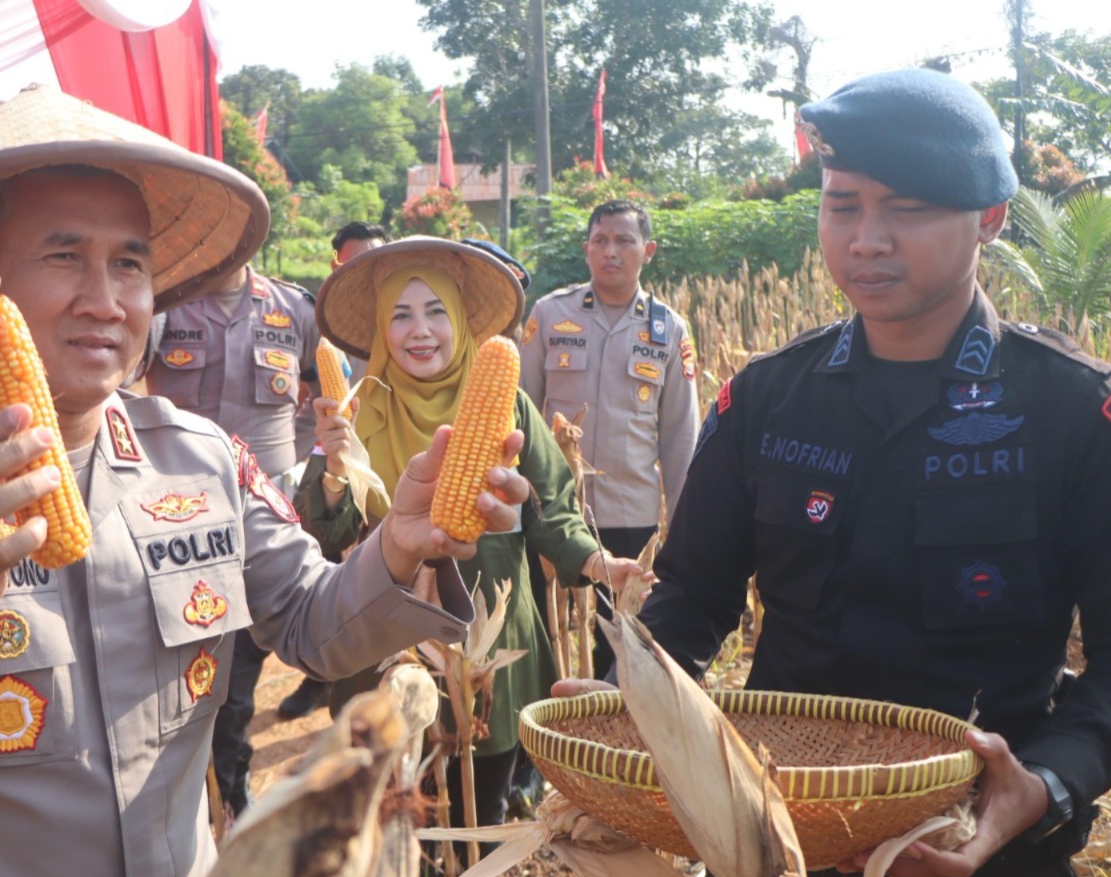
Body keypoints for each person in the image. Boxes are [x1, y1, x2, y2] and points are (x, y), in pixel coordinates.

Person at [0, 86, 534, 877]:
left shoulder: (201, 455)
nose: (107, 299)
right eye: (64, 257)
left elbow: (315, 623)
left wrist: (399, 545)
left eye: (129, 263)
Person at [559, 69, 1111, 877]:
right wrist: (617, 712)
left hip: (986, 871)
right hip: (776, 856)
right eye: (843, 206)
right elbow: (693, 596)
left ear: (989, 219)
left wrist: (1041, 785)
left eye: (906, 210)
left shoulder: (1078, 415)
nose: (866, 240)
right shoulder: (766, 400)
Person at [294, 237, 643, 829]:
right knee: (398, 817)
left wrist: (599, 564)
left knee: (480, 812)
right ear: (382, 328)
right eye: (400, 315)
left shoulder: (509, 408)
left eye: (435, 311)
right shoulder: (356, 415)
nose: (420, 330)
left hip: (494, 632)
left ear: (458, 320)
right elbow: (329, 535)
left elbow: (553, 511)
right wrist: (333, 471)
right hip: (388, 636)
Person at [142, 259, 328, 805]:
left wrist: (284, 459)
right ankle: (177, 794)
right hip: (169, 518)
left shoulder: (295, 310)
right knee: (169, 658)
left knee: (240, 666)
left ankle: (230, 790)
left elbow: (325, 396)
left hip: (259, 521)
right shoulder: (161, 304)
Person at [519, 200, 700, 678]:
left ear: (649, 250)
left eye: (624, 240)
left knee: (619, 648)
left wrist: (684, 529)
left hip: (629, 517)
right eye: (600, 241)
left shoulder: (669, 331)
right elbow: (519, 412)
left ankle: (609, 747)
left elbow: (682, 437)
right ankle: (540, 745)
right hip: (552, 516)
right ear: (586, 250)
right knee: (546, 635)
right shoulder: (550, 315)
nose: (610, 251)